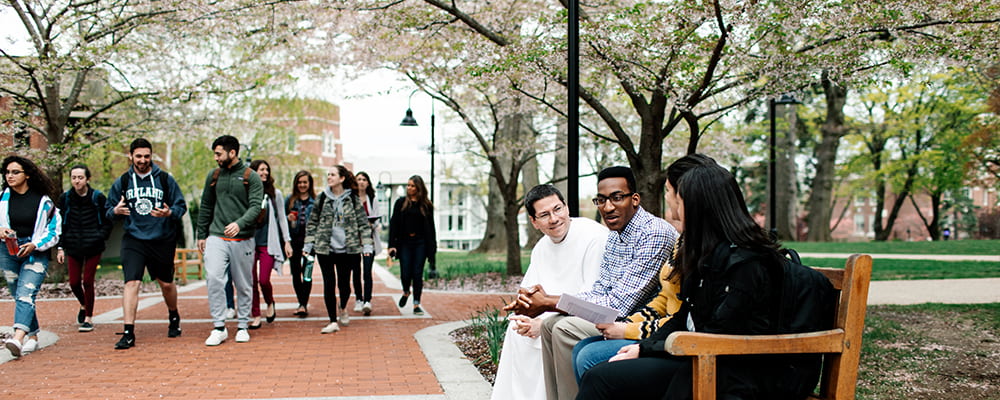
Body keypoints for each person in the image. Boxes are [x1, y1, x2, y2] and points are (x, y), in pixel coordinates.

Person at [577, 163, 822, 400]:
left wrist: (649, 348)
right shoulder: (709, 253)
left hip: (735, 372)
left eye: (677, 200)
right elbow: (687, 315)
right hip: (703, 356)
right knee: (602, 373)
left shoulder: (746, 263)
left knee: (601, 378)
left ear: (698, 207)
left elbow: (718, 332)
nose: (673, 211)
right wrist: (644, 347)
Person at [508, 166, 678, 400]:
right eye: (601, 200)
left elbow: (619, 305)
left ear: (635, 199)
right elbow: (600, 292)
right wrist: (544, 305)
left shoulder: (654, 233)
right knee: (549, 325)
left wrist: (550, 303)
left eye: (617, 198)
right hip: (615, 316)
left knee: (564, 328)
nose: (608, 207)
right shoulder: (615, 236)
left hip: (640, 322)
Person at [571, 154, 717, 380]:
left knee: (585, 352)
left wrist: (627, 329)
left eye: (668, 191)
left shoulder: (663, 235)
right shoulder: (684, 241)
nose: (666, 198)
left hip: (682, 343)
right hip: (657, 327)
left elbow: (685, 320)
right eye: (601, 200)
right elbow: (662, 300)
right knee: (577, 345)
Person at [490, 184, 608, 400]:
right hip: (552, 312)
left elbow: (593, 299)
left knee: (545, 333)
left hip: (583, 318)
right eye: (544, 215)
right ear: (534, 222)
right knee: (515, 331)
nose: (554, 219)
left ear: (567, 208)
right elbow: (529, 292)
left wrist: (542, 323)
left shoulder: (593, 237)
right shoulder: (541, 247)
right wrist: (523, 315)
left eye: (557, 209)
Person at [105, 139, 187, 349]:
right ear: (131, 156)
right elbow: (107, 211)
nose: (142, 160)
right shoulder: (122, 182)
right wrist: (114, 211)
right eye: (138, 156)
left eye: (146, 156)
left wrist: (170, 212)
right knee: (132, 283)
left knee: (166, 283)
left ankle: (174, 315)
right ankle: (128, 332)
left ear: (151, 157)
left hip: (161, 239)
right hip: (134, 239)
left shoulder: (166, 180)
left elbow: (181, 206)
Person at [197, 135, 263, 346]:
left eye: (219, 153)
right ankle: (219, 327)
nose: (216, 158)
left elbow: (255, 207)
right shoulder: (213, 175)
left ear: (232, 153)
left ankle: (243, 325)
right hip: (217, 235)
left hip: (242, 238)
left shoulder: (250, 177)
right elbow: (206, 205)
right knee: (214, 278)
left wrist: (239, 224)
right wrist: (201, 234)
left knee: (243, 284)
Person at [1, 156, 60, 358]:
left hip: (35, 253)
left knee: (26, 293)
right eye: (7, 172)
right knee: (18, 294)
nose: (10, 176)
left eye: (15, 172)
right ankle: (33, 336)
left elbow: (54, 230)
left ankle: (18, 337)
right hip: (8, 252)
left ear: (27, 175)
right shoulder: (2, 198)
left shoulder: (43, 202)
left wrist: (36, 244)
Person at [303, 165, 373, 334]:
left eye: (333, 174)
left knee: (344, 285)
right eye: (328, 175)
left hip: (348, 249)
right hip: (325, 248)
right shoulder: (322, 198)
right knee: (329, 283)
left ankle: (342, 306)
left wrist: (367, 245)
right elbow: (312, 222)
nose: (329, 177)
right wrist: (308, 245)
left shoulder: (353, 199)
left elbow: (364, 224)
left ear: (342, 178)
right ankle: (332, 320)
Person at [56, 164, 113, 332]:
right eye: (74, 178)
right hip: (73, 245)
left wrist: (100, 236)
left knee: (87, 281)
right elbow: (59, 225)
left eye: (80, 177)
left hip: (94, 245)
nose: (77, 181)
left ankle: (88, 317)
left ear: (87, 179)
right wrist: (60, 247)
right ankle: (83, 304)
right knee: (74, 283)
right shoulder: (65, 199)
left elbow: (108, 220)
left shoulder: (98, 197)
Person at [248, 160, 292, 329]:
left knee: (263, 280)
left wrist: (287, 242)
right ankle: (256, 314)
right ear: (253, 172)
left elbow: (282, 218)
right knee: (251, 280)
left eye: (267, 170)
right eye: (261, 170)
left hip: (267, 242)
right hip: (249, 242)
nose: (265, 173)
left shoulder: (275, 194)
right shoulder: (247, 192)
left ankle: (270, 301)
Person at [387, 175, 436, 316]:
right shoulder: (400, 203)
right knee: (406, 273)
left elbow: (431, 228)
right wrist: (392, 245)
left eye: (412, 186)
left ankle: (416, 304)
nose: (409, 188)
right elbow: (394, 224)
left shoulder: (426, 205)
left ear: (419, 188)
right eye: (408, 185)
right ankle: (406, 291)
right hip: (405, 243)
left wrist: (432, 249)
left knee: (417, 273)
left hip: (420, 243)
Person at [286, 170, 315, 317]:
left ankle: (303, 303)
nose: (302, 185)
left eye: (305, 182)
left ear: (309, 184)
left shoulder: (315, 201)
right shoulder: (290, 200)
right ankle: (301, 303)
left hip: (310, 243)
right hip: (294, 242)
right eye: (300, 182)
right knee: (296, 273)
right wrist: (288, 218)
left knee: (307, 273)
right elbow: (281, 221)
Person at [354, 171, 383, 316]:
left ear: (368, 183)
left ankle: (367, 301)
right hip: (353, 241)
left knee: (367, 271)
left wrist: (371, 223)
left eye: (364, 179)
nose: (361, 182)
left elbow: (376, 219)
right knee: (356, 271)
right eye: (358, 179)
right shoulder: (351, 199)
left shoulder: (372, 199)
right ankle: (358, 299)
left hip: (368, 241)